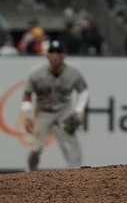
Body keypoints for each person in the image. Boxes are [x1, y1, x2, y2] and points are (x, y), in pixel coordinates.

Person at [21, 38, 89, 171]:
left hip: (64, 112)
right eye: (52, 52)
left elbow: (83, 90)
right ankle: (29, 175)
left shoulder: (73, 73)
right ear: (47, 54)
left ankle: (77, 177)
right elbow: (27, 95)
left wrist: (79, 110)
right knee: (35, 149)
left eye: (59, 52)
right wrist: (28, 116)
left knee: (71, 146)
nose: (55, 55)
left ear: (64, 55)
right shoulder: (36, 73)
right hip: (43, 113)